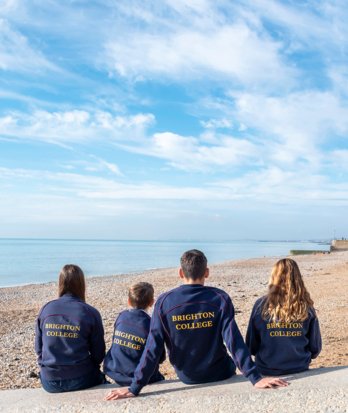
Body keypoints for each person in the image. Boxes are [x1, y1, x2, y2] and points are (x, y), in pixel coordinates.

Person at [106, 249, 288, 400]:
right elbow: (234, 341)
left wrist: (134, 387)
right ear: (206, 272)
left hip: (187, 376)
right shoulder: (219, 298)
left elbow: (152, 349)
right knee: (228, 360)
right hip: (220, 371)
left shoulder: (164, 302)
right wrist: (255, 378)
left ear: (180, 272)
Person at [35, 264, 106, 393]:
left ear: (60, 283)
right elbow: (98, 354)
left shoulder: (46, 309)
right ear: (81, 284)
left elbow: (39, 349)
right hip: (81, 378)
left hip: (49, 381)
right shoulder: (90, 312)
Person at [246, 258, 322, 376]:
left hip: (267, 367)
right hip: (299, 366)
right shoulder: (306, 307)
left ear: (274, 277)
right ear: (298, 279)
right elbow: (315, 348)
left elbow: (251, 346)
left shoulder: (261, 305)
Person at [103, 282, 165, 385]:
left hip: (116, 370)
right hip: (137, 375)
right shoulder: (151, 324)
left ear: (128, 301)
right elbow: (160, 356)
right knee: (158, 377)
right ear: (151, 302)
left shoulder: (122, 317)